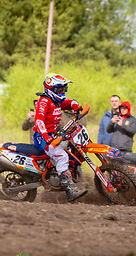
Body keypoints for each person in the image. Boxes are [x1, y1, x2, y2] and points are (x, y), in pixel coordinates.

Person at [33, 73, 87, 202]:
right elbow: (39, 121)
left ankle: (67, 174)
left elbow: (68, 102)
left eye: (64, 89)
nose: (62, 92)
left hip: (53, 135)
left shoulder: (56, 101)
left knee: (71, 149)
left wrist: (76, 105)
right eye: (59, 89)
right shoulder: (44, 102)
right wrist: (46, 137)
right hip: (42, 136)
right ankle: (70, 190)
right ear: (50, 89)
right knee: (62, 156)